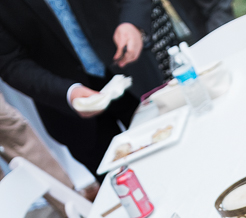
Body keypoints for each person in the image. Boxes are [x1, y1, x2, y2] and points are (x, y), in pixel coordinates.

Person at [0, 1, 165, 175]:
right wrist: (67, 93)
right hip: (69, 108)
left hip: (133, 72)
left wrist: (133, 22)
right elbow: (9, 61)